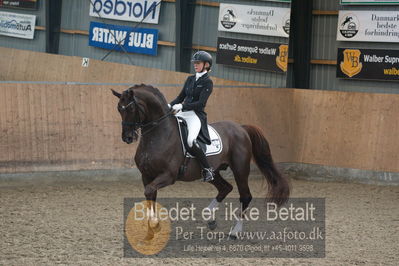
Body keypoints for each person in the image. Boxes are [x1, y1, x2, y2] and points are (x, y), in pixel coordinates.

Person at [169, 51, 215, 182]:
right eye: (194, 63)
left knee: (190, 141)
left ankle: (207, 169)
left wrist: (182, 106)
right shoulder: (190, 79)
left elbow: (201, 103)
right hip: (182, 112)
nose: (195, 65)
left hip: (196, 115)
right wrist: (168, 105)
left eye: (198, 63)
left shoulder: (208, 82)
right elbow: (180, 97)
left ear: (206, 65)